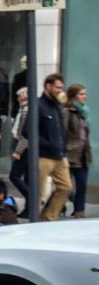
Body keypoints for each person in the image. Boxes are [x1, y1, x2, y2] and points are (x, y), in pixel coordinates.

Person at [37, 73, 72, 221]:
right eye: (57, 87)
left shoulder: (58, 106)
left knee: (66, 187)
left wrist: (62, 147)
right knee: (38, 193)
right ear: (48, 86)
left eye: (61, 88)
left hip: (59, 156)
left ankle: (48, 218)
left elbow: (61, 131)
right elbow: (27, 131)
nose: (60, 90)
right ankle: (34, 222)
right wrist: (47, 143)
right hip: (43, 156)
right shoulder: (38, 105)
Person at [65, 83, 90, 219]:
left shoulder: (83, 112)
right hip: (70, 154)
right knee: (66, 186)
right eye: (81, 94)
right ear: (73, 96)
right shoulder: (67, 111)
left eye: (85, 94)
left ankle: (80, 212)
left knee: (82, 185)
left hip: (83, 154)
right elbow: (62, 133)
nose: (84, 97)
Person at [9, 87, 31, 215]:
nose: (17, 99)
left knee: (14, 175)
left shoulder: (25, 110)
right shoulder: (28, 109)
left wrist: (18, 151)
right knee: (27, 178)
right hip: (29, 148)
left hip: (25, 148)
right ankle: (29, 208)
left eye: (19, 97)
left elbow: (24, 133)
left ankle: (33, 198)